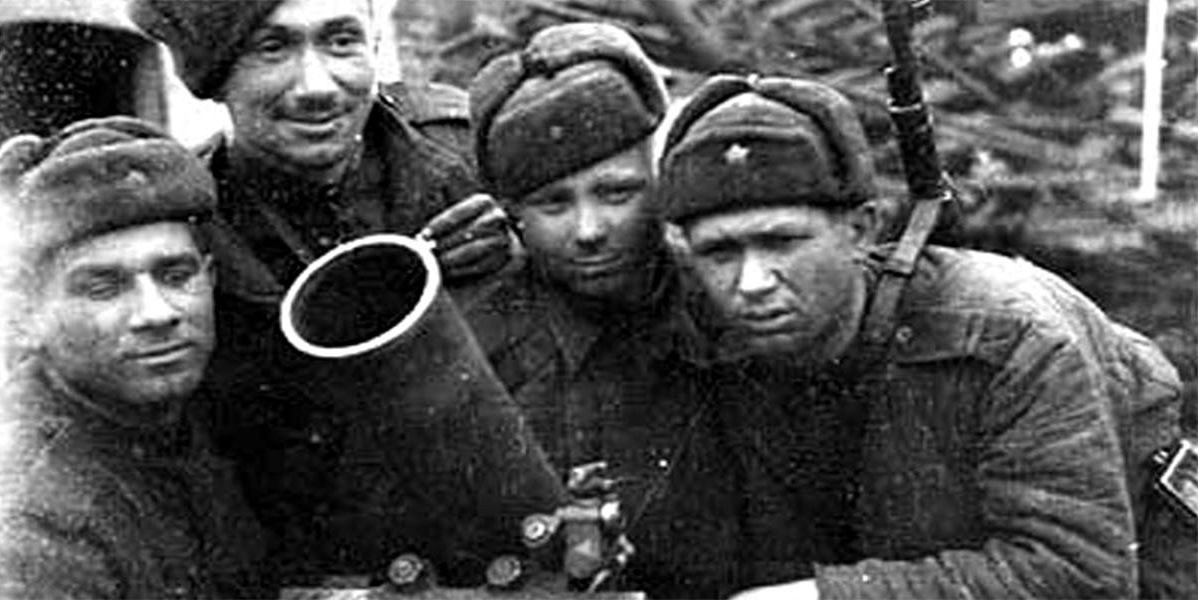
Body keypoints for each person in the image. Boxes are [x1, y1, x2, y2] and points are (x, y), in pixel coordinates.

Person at [657, 74, 1186, 599]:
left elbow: (1080, 574)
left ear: (860, 231)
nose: (751, 282)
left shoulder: (1009, 338)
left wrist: (823, 597)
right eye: (719, 253)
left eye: (781, 242)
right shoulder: (725, 343)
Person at [128, 0, 563, 587]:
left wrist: (536, 247)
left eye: (341, 41)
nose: (317, 86)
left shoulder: (473, 152)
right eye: (272, 48)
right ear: (212, 76)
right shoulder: (181, 233)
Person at [464, 23, 801, 597]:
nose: (589, 230)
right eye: (553, 204)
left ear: (660, 184)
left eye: (617, 193)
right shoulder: (475, 343)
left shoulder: (737, 309)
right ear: (511, 212)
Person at [0, 117, 265, 599]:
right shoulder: (33, 520)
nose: (157, 313)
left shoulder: (191, 421)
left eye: (175, 275)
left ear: (210, 278)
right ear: (24, 317)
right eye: (104, 288)